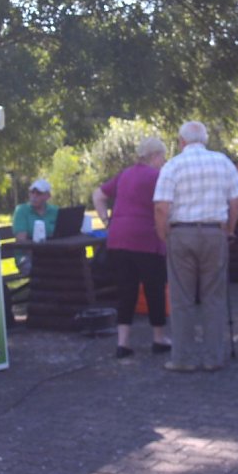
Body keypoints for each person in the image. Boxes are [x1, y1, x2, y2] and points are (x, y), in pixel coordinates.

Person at [153, 121, 238, 372]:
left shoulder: (172, 165)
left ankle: (182, 358)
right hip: (214, 232)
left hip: (181, 233)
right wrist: (229, 227)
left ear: (181, 141)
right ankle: (213, 357)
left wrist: (164, 234)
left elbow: (162, 206)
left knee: (181, 297)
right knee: (213, 297)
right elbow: (237, 198)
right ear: (204, 140)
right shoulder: (222, 162)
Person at [93, 137, 171, 359]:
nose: (163, 161)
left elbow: (98, 195)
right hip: (147, 238)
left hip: (118, 239)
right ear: (155, 156)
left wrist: (106, 220)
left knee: (126, 290)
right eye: (162, 157)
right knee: (154, 288)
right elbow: (165, 206)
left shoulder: (124, 174)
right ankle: (158, 338)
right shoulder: (158, 176)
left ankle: (123, 343)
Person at [11, 179, 58, 275]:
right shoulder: (21, 211)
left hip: (52, 255)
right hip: (27, 257)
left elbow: (64, 232)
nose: (34, 196)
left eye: (39, 193)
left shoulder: (55, 211)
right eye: (32, 192)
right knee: (49, 269)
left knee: (72, 263)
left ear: (47, 196)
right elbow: (21, 240)